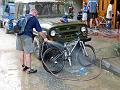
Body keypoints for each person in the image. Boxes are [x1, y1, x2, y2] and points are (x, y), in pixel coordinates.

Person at [16, 9, 48, 74]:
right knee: (28, 53)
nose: (37, 15)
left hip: (18, 36)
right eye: (36, 14)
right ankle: (29, 69)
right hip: (27, 37)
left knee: (21, 51)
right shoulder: (34, 19)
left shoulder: (23, 16)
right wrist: (45, 38)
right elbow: (40, 31)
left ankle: (23, 67)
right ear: (34, 12)